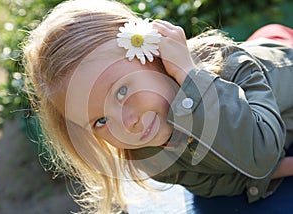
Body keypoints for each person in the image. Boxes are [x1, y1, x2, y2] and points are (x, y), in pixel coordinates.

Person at [23, 0, 293, 212]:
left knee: (276, 40)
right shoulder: (146, 151)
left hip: (281, 63)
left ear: (153, 53)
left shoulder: (232, 67)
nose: (125, 124)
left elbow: (262, 153)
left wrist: (191, 77)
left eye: (122, 91)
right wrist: (259, 179)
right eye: (100, 122)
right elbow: (207, 183)